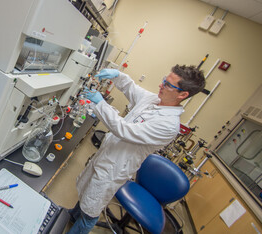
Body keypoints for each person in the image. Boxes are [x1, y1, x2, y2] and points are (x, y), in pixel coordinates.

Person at [67, 65, 205, 234]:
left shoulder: (169, 125)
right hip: (106, 154)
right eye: (164, 80)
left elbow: (125, 130)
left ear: (183, 95)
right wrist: (117, 75)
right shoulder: (154, 100)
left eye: (168, 84)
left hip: (114, 168)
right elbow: (131, 88)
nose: (161, 85)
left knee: (91, 210)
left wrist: (101, 104)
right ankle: (70, 217)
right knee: (86, 192)